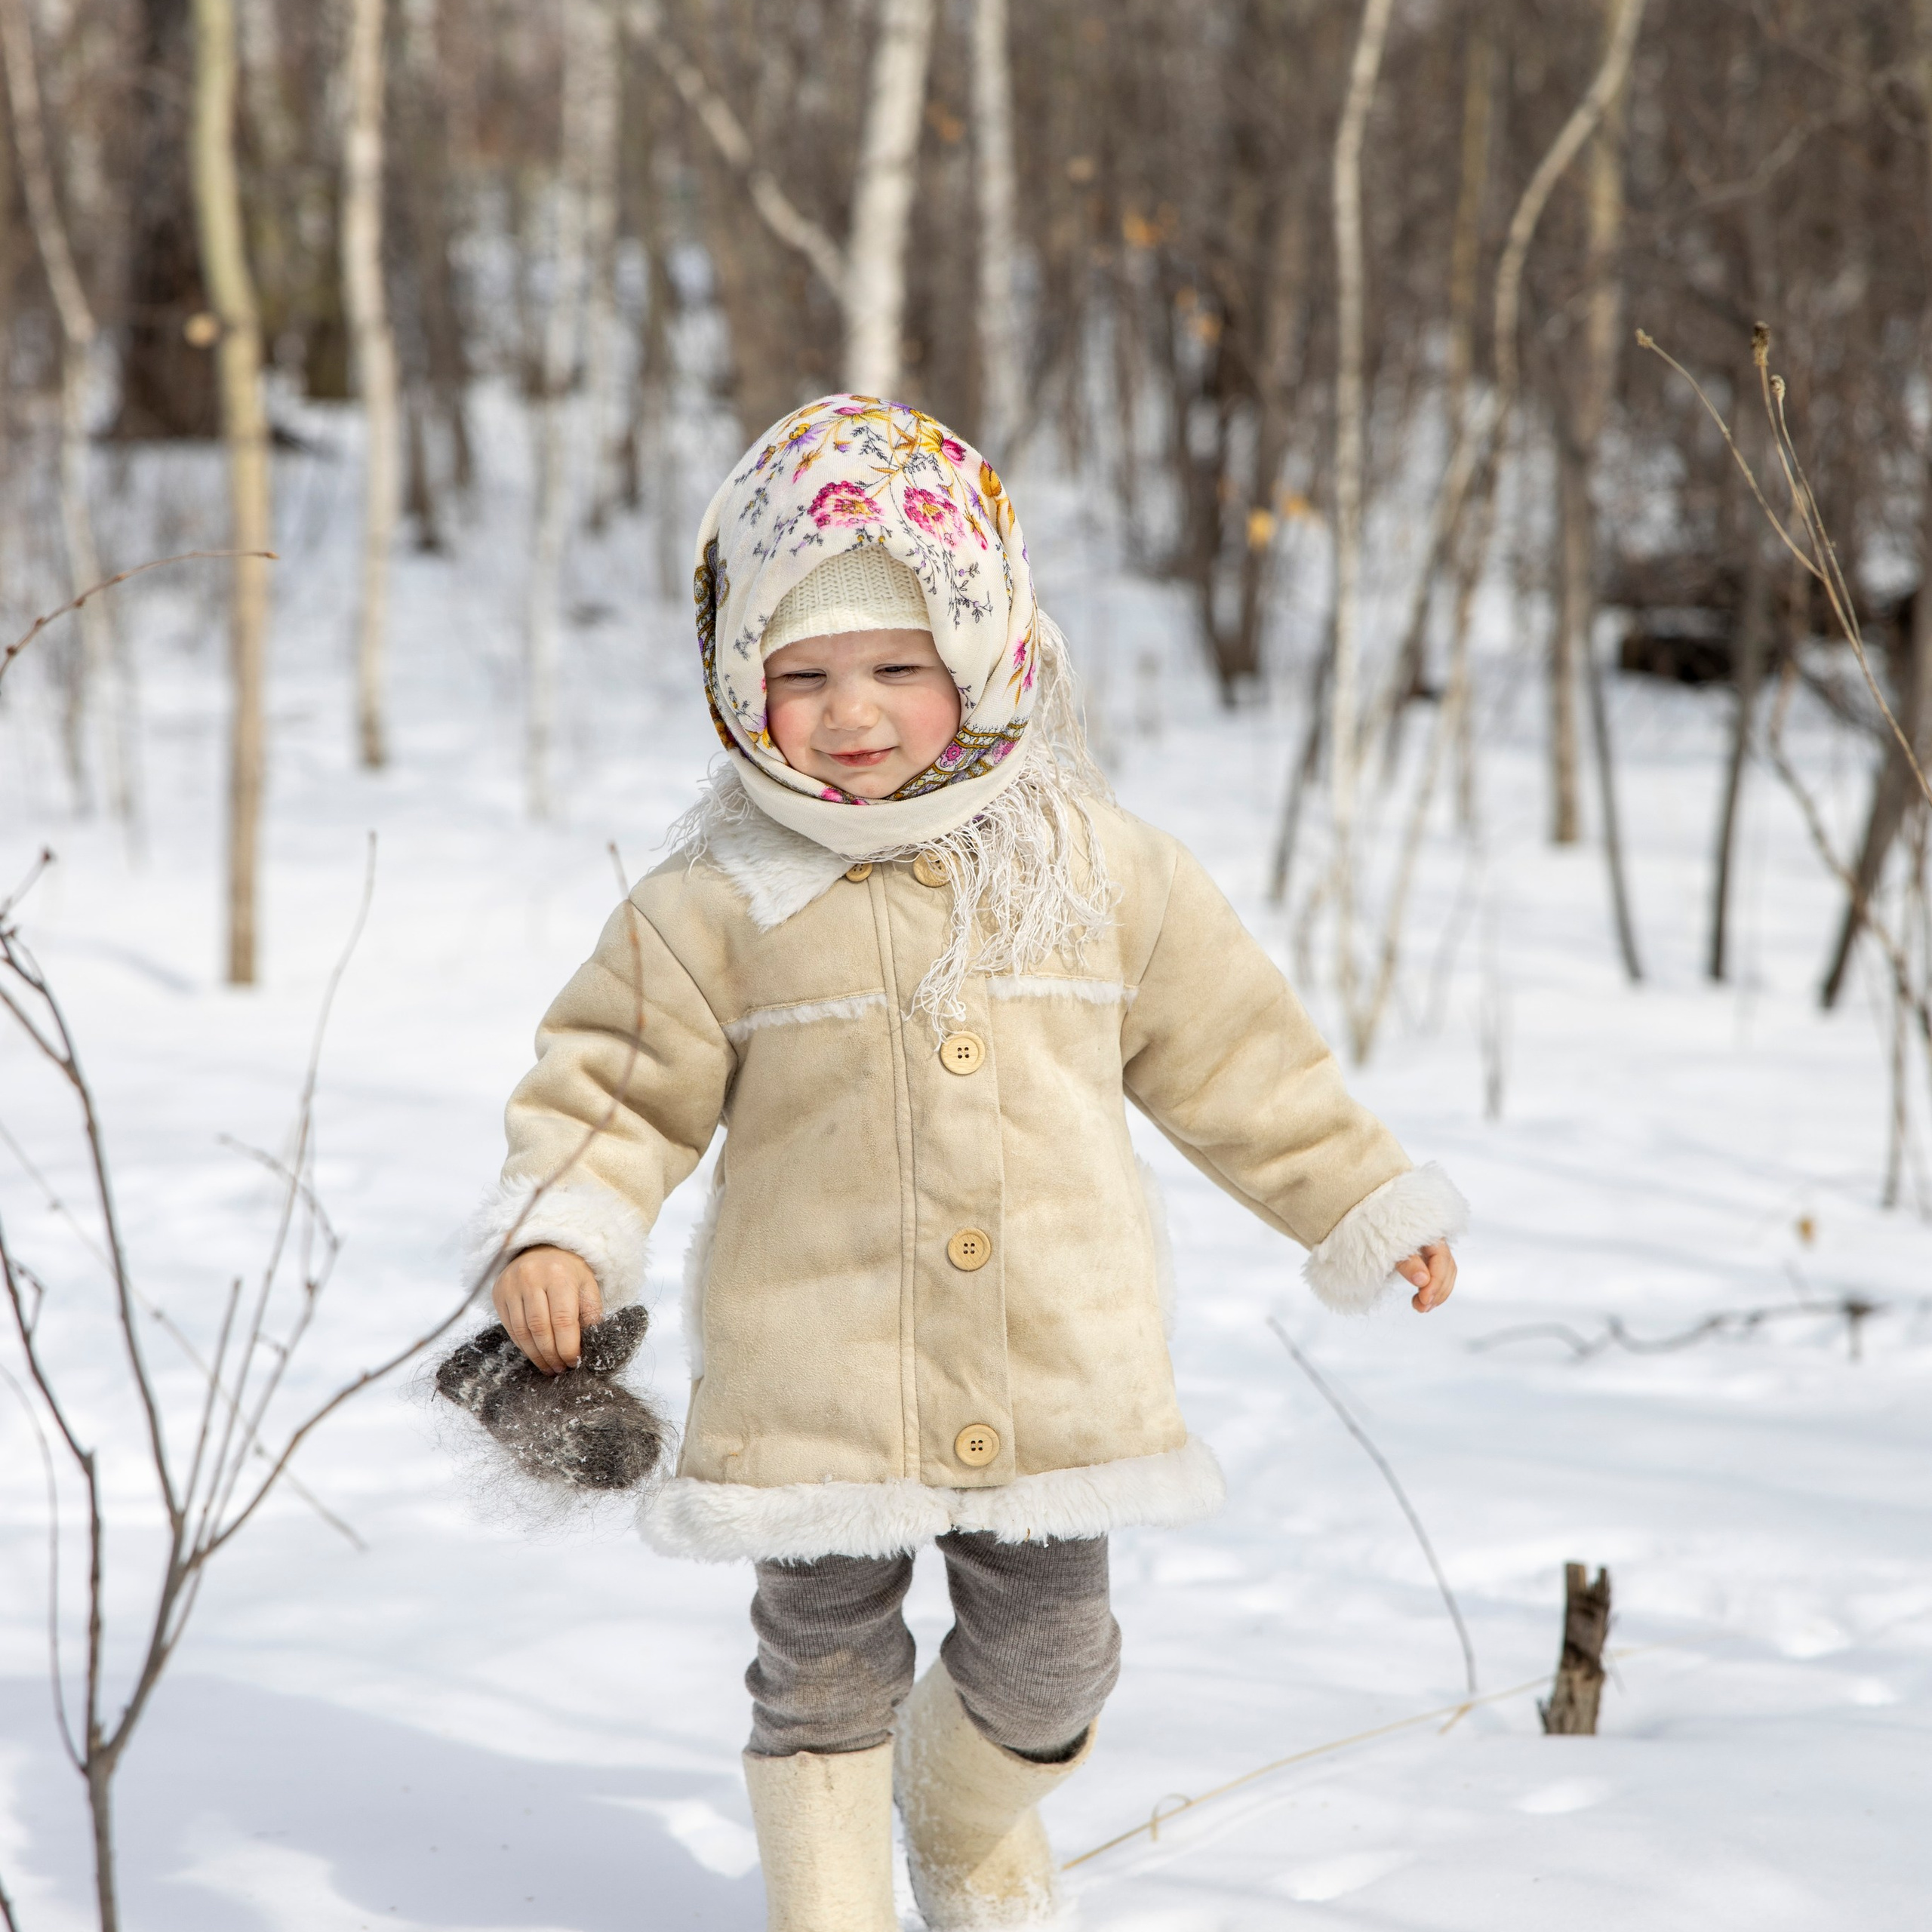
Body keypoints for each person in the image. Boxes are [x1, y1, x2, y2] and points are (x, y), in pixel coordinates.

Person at [468, 394, 1465, 1930]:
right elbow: (611, 1084)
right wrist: (562, 1232)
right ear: (739, 681)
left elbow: (1237, 1057)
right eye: (799, 675)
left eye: (896, 665)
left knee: (1051, 1653)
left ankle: (958, 1813)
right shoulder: (715, 896)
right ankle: (830, 1905)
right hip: (817, 1372)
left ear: (987, 654)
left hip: (1050, 1360)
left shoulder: (1092, 867)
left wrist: (1355, 1195)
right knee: (818, 1663)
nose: (850, 711)